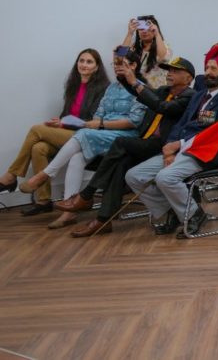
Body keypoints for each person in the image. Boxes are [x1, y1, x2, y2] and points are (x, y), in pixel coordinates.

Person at [54, 57, 196, 237]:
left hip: (164, 145)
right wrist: (126, 77)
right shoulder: (162, 90)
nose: (170, 74)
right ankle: (103, 220)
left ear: (189, 78)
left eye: (176, 71)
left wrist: (135, 82)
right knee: (119, 164)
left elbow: (163, 108)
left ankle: (87, 194)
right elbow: (141, 95)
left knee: (120, 142)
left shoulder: (190, 96)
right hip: (145, 142)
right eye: (169, 70)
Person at [19, 47, 147, 229]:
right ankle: (69, 212)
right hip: (101, 134)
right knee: (77, 156)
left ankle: (46, 174)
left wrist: (100, 125)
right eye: (115, 63)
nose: (117, 67)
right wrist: (97, 124)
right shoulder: (112, 88)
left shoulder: (141, 89)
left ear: (133, 65)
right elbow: (98, 113)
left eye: (122, 63)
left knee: (83, 133)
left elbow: (133, 122)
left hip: (123, 137)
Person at [125, 44, 218, 238]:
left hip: (204, 154)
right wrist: (169, 148)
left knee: (165, 178)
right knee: (133, 176)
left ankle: (193, 215)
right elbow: (180, 125)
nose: (208, 72)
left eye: (214, 69)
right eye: (207, 68)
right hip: (179, 150)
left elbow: (214, 135)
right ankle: (174, 209)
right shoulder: (199, 96)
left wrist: (178, 145)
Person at [0, 49, 109, 214]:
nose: (84, 65)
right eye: (81, 60)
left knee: (36, 129)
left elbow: (94, 121)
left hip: (86, 135)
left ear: (97, 67)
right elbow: (67, 115)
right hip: (70, 133)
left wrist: (64, 124)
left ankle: (11, 175)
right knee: (38, 148)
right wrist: (60, 122)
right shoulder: (73, 84)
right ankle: (43, 201)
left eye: (89, 62)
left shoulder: (103, 88)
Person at [122, 15, 172, 88]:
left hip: (154, 91)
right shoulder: (134, 47)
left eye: (148, 28)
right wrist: (130, 33)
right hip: (134, 89)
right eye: (141, 29)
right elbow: (120, 56)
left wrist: (157, 34)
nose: (144, 31)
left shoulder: (163, 45)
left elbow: (164, 58)